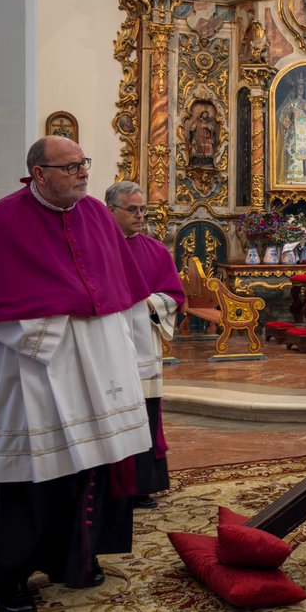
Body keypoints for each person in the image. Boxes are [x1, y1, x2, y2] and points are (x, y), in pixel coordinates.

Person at [0, 138, 152, 612]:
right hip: (39, 364)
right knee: (33, 472)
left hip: (97, 360)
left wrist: (120, 347)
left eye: (84, 164)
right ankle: (8, 577)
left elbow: (120, 288)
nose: (83, 173)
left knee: (92, 465)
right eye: (70, 167)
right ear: (38, 174)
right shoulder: (5, 219)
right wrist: (49, 329)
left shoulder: (98, 216)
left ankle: (75, 558)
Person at [106, 181, 185, 509]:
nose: (141, 216)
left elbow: (176, 295)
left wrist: (147, 304)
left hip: (143, 349)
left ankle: (142, 485)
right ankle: (108, 484)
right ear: (111, 211)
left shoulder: (155, 250)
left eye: (143, 210)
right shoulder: (98, 248)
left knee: (145, 415)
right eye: (133, 210)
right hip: (107, 349)